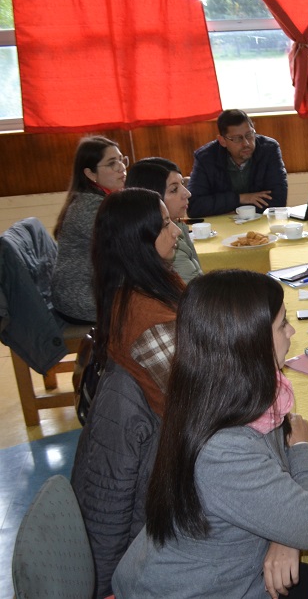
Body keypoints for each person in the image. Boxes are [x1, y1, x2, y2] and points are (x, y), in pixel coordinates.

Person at [113, 270, 308, 599]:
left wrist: (283, 532)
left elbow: (271, 475)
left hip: (226, 566)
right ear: (250, 344)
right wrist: (304, 449)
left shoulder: (218, 393)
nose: (291, 332)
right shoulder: (224, 450)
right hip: (197, 590)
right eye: (282, 325)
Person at [71, 188, 184, 597]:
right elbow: (206, 403)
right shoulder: (147, 321)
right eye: (165, 224)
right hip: (176, 472)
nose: (177, 230)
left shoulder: (136, 287)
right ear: (139, 241)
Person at [51, 136, 128, 324]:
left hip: (98, 287)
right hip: (82, 298)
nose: (121, 167)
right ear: (91, 174)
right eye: (112, 163)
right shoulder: (89, 208)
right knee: (154, 307)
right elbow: (128, 246)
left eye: (121, 160)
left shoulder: (105, 199)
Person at [187, 109, 288, 217]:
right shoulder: (206, 158)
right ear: (222, 141)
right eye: (237, 139)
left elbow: (278, 201)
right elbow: (194, 207)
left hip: (260, 222)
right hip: (222, 226)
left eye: (249, 135)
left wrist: (232, 210)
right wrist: (240, 198)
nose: (246, 143)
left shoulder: (269, 149)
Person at [126, 157, 203, 283]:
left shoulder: (177, 225)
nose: (187, 193)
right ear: (152, 197)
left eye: (182, 184)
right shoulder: (162, 244)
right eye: (174, 190)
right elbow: (194, 295)